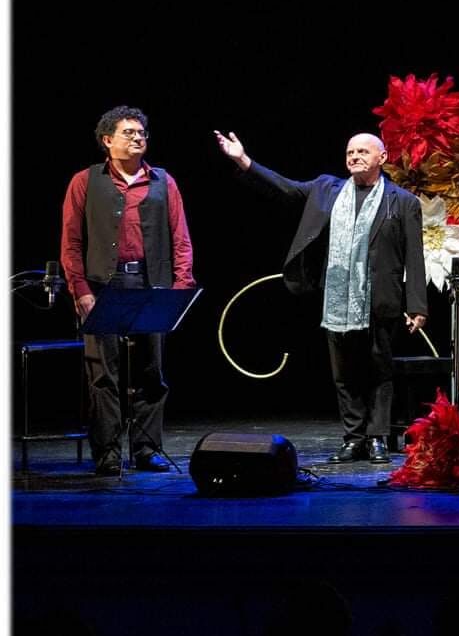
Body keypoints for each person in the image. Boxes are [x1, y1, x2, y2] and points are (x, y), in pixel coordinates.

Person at [214, 130, 427, 464]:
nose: (355, 157)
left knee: (378, 371)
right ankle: (354, 437)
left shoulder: (402, 201)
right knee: (344, 373)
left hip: (380, 298)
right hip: (336, 298)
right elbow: (283, 187)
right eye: (350, 152)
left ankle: (376, 438)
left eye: (362, 152)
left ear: (382, 158)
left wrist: (417, 305)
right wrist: (243, 160)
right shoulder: (327, 189)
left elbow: (414, 256)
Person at [61, 105, 196, 475]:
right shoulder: (85, 181)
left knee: (151, 372)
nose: (139, 138)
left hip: (151, 283)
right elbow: (71, 243)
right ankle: (106, 453)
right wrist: (81, 290)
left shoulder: (163, 181)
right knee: (104, 374)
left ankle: (147, 449)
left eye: (142, 133)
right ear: (107, 140)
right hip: (103, 286)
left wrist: (180, 287)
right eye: (129, 133)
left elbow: (180, 238)